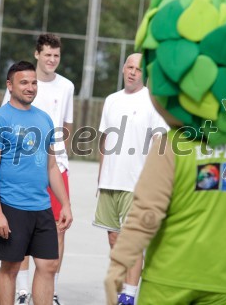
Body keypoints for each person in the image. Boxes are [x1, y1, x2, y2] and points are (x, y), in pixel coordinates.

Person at [0, 61, 73, 305]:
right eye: (24, 82)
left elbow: (52, 166)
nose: (30, 87)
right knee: (10, 267)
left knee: (48, 265)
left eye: (34, 82)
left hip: (41, 205)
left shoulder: (44, 119)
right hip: (12, 206)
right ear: (9, 86)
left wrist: (65, 204)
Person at [93, 53, 168, 305]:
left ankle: (130, 296)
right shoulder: (111, 100)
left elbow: (160, 144)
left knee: (133, 242)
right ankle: (124, 287)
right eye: (129, 67)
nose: (133, 72)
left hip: (136, 184)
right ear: (123, 68)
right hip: (109, 183)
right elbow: (104, 142)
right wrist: (100, 178)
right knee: (114, 240)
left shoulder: (152, 101)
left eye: (138, 68)